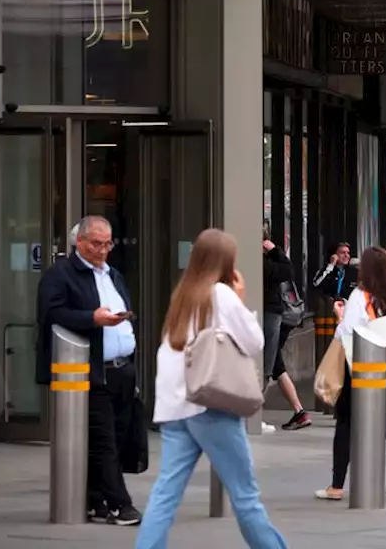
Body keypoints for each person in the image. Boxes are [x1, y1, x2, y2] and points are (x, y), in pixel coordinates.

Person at [135, 228, 287, 549]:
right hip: (210, 405)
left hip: (176, 407)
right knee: (245, 495)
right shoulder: (222, 294)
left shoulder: (183, 295)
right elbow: (255, 341)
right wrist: (242, 299)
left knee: (165, 493)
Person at [37, 215, 143, 525]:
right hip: (89, 370)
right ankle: (120, 505)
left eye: (107, 243)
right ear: (79, 242)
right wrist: (91, 319)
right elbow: (51, 313)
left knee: (119, 438)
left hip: (122, 369)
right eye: (96, 243)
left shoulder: (114, 275)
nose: (103, 250)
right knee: (103, 441)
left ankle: (94, 499)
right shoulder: (61, 275)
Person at [315, 246, 386, 504]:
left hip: (361, 369)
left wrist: (339, 316)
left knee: (345, 422)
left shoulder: (360, 295)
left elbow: (349, 331)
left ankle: (336, 485)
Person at [263, 233, 310, 432]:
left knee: (270, 364)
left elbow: (287, 271)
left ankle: (254, 413)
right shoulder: (267, 261)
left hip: (270, 316)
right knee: (273, 364)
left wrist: (274, 251)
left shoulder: (265, 263)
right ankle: (299, 411)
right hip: (272, 316)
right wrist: (275, 250)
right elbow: (287, 269)